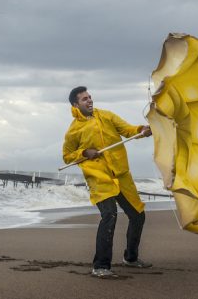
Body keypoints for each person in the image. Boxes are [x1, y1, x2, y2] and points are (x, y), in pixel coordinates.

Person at [62, 86, 153, 278]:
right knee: (110, 214)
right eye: (85, 99)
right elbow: (67, 156)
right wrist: (85, 153)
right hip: (100, 179)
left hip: (121, 175)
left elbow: (128, 130)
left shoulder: (107, 116)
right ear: (75, 104)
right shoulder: (74, 130)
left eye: (90, 97)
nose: (89, 100)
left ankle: (130, 258)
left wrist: (141, 130)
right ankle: (101, 266)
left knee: (138, 215)